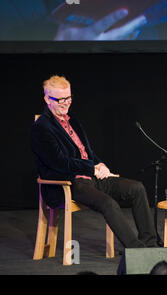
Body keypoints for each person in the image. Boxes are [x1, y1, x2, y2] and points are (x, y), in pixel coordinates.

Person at [31, 75, 158, 249]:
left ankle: (149, 245)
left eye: (68, 98)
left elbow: (86, 152)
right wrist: (92, 168)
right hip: (68, 183)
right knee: (108, 203)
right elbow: (59, 162)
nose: (66, 103)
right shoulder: (42, 127)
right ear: (47, 99)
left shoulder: (72, 119)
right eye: (60, 99)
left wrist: (100, 165)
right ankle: (137, 251)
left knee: (137, 188)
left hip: (91, 177)